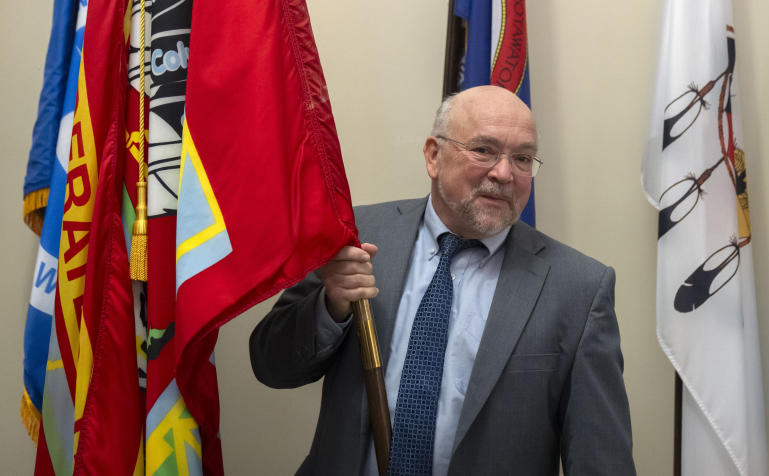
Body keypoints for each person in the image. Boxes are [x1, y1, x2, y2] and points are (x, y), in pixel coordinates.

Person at [249, 85, 634, 476]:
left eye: (522, 158)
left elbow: (601, 458)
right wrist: (330, 307)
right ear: (434, 156)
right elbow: (270, 365)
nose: (504, 173)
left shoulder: (578, 288)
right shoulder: (354, 235)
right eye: (483, 150)